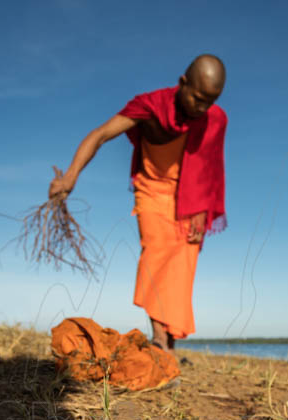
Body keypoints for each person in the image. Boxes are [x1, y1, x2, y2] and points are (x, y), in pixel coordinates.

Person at [48, 54, 227, 360]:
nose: (202, 108)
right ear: (182, 83)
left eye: (209, 101)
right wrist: (71, 175)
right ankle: (158, 339)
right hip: (152, 190)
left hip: (191, 199)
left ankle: (169, 347)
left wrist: (203, 207)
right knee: (157, 252)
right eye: (197, 98)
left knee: (182, 268)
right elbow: (101, 134)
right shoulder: (150, 106)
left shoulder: (215, 118)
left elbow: (210, 166)